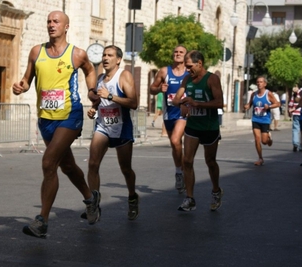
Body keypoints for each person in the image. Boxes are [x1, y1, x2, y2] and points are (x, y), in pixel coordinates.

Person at [12, 10, 99, 238]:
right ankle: (91, 199)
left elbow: (90, 71)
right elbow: (27, 79)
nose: (51, 25)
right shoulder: (36, 52)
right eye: (49, 21)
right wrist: (20, 86)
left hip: (70, 114)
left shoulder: (77, 54)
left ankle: (42, 221)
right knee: (67, 166)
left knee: (49, 162)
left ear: (66, 26)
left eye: (56, 21)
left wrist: (92, 90)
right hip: (46, 118)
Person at [85, 45, 139, 221]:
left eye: (110, 55)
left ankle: (132, 196)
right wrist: (94, 109)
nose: (105, 58)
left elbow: (133, 103)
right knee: (93, 164)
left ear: (118, 60)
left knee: (125, 168)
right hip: (103, 127)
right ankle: (94, 203)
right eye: (104, 55)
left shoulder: (124, 76)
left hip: (122, 127)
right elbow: (99, 101)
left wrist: (110, 97)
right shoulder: (100, 78)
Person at [172, 50, 224, 212]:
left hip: (209, 127)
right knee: (187, 161)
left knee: (210, 161)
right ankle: (190, 198)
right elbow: (175, 99)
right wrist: (181, 104)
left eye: (190, 66)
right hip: (192, 126)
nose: (187, 70)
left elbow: (220, 102)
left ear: (199, 63)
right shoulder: (187, 79)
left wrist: (196, 104)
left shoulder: (212, 79)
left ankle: (216, 190)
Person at [149, 45, 189, 194]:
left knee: (175, 140)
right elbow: (152, 88)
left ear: (185, 56)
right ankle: (180, 170)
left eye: (181, 52)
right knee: (175, 146)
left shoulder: (189, 74)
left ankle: (180, 173)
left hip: (183, 114)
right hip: (168, 114)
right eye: (175, 52)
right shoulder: (164, 71)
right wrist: (160, 89)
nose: (177, 54)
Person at [244, 76, 280, 166]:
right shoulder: (254, 94)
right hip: (255, 119)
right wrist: (247, 106)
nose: (259, 83)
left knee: (264, 141)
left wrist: (269, 106)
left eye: (261, 82)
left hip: (265, 120)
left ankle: (269, 138)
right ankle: (260, 158)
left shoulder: (268, 94)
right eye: (257, 82)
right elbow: (250, 103)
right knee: (257, 139)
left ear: (265, 84)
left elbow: (278, 104)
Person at [288, 83, 302, 151]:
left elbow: (290, 104)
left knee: (296, 129)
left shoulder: (295, 94)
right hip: (301, 113)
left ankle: (296, 143)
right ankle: (301, 145)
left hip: (296, 113)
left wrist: (290, 110)